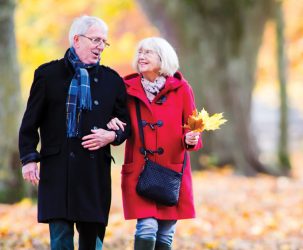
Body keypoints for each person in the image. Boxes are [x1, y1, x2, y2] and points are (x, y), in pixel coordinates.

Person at [18, 15, 130, 250]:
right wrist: (29, 158)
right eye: (96, 40)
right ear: (76, 39)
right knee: (60, 238)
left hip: (93, 172)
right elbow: (30, 122)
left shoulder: (112, 81)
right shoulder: (48, 75)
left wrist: (112, 136)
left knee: (92, 241)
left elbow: (125, 123)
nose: (101, 46)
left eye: (104, 42)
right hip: (58, 169)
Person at [107, 37, 202, 250]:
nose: (141, 56)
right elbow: (115, 117)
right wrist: (112, 122)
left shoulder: (182, 88)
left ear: (163, 58)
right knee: (147, 227)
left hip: (172, 170)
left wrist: (190, 138)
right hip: (140, 170)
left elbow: (193, 127)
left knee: (166, 232)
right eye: (140, 52)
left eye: (148, 52)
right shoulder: (126, 88)